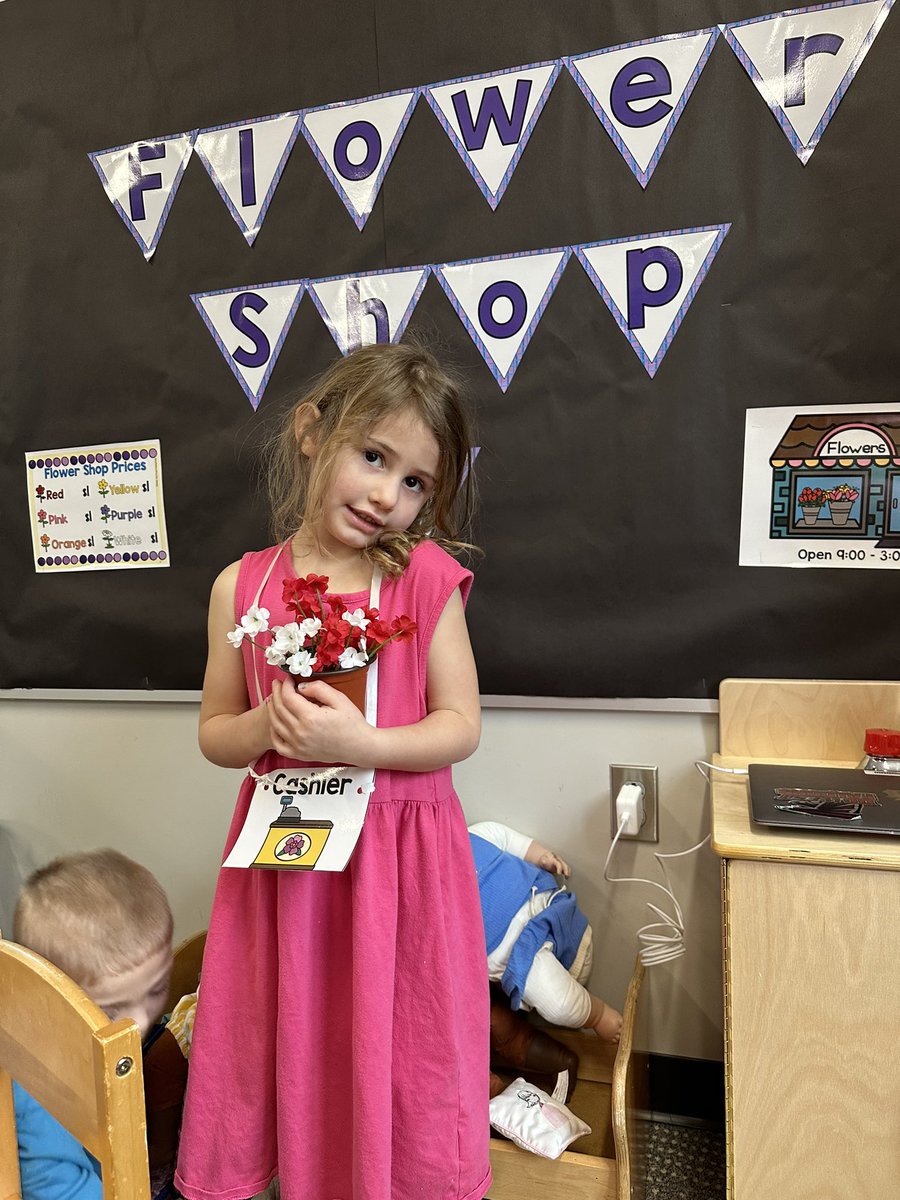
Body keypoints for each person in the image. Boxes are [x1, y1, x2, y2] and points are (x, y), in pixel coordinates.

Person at [176, 342, 491, 1200]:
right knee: (293, 1037)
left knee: (403, 1045)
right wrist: (260, 725)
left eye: (417, 482)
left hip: (400, 863)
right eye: (374, 456)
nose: (389, 494)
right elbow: (214, 732)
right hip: (290, 863)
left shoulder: (422, 579)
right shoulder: (242, 588)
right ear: (314, 434)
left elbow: (460, 726)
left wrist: (369, 747)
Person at [11, 848, 176, 1200]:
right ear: (48, 1002)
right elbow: (56, 1187)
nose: (141, 1020)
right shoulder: (35, 1087)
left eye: (156, 988)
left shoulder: (115, 1039)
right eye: (112, 1009)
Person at [468, 821, 623, 1043]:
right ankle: (597, 1014)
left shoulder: (471, 836)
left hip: (551, 908)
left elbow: (506, 838)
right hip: (521, 955)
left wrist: (541, 856)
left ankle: (591, 1012)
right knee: (558, 1004)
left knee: (557, 998)